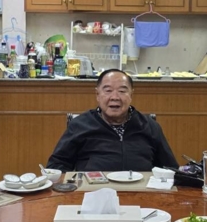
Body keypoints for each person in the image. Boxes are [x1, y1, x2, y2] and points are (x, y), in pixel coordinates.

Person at [47, 69, 178, 172]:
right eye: (108, 91)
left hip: (142, 192)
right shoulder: (80, 125)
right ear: (97, 95)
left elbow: (170, 168)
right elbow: (56, 166)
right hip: (93, 192)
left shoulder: (149, 126)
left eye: (122, 91)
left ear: (131, 95)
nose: (115, 97)